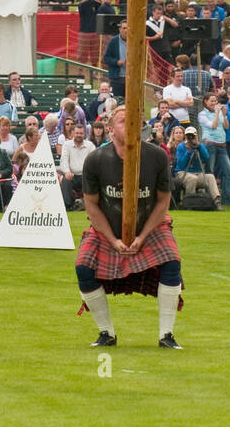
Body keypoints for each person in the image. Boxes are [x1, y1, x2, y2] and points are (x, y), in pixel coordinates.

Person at [75, 105, 184, 349]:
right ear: (110, 129)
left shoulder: (157, 156)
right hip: (107, 229)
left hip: (150, 226)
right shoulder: (96, 160)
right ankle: (106, 333)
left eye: (136, 120)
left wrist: (143, 236)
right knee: (83, 266)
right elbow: (91, 206)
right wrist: (113, 240)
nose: (131, 125)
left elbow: (163, 200)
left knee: (172, 262)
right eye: (124, 121)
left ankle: (166, 335)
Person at [174, 126, 221, 208]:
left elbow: (206, 158)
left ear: (196, 136)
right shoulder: (181, 146)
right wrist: (188, 151)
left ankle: (216, 202)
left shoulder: (200, 146)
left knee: (210, 177)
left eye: (192, 136)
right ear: (185, 136)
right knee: (192, 179)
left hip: (198, 173)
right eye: (188, 136)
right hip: (183, 173)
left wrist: (199, 145)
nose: (190, 138)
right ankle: (190, 203)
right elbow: (181, 164)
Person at [59, 122, 96, 210]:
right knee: (65, 180)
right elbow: (64, 159)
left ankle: (91, 205)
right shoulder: (67, 145)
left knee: (94, 179)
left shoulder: (90, 145)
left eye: (81, 133)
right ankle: (68, 207)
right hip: (72, 176)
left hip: (86, 176)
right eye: (77, 133)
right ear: (73, 133)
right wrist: (67, 172)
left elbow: (94, 161)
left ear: (84, 134)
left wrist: (89, 173)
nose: (79, 135)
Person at [103, 20, 128, 101]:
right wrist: (116, 62)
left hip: (131, 79)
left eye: (128, 28)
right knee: (117, 101)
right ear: (119, 29)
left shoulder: (135, 41)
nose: (126, 30)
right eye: (124, 28)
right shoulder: (114, 41)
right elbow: (106, 58)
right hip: (117, 79)